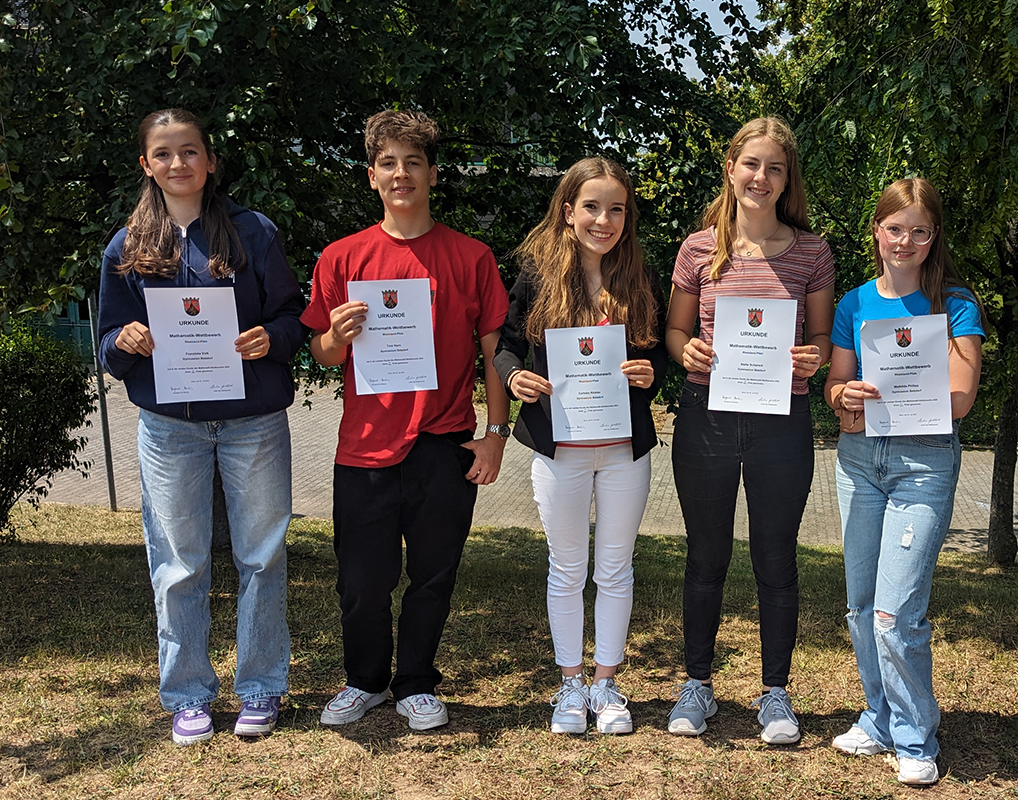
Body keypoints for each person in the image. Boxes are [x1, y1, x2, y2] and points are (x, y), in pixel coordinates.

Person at [97, 108, 306, 745]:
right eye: (163, 153)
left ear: (211, 161)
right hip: (169, 428)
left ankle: (262, 687)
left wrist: (267, 338)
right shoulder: (127, 246)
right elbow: (107, 345)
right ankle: (188, 694)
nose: (178, 163)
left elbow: (295, 317)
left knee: (263, 558)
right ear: (146, 165)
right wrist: (125, 339)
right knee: (179, 565)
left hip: (252, 424)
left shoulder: (253, 233)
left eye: (190, 151)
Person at [302, 109, 510, 732]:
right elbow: (320, 350)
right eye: (388, 163)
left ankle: (416, 681)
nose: (401, 174)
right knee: (363, 582)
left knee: (433, 575)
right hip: (364, 447)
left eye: (413, 163)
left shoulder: (471, 257)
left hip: (444, 443)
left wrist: (495, 436)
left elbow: (495, 353)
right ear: (371, 177)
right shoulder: (343, 257)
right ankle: (365, 680)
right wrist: (335, 339)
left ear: (432, 174)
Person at [664, 117, 835, 744]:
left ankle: (775, 694)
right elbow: (675, 333)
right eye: (751, 164)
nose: (761, 178)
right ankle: (698, 685)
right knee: (706, 556)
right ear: (731, 168)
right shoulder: (696, 249)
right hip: (707, 417)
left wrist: (812, 358)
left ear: (788, 180)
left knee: (776, 559)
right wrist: (686, 354)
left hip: (780, 422)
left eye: (775, 168)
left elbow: (819, 338)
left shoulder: (813, 253)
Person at [494, 158, 668, 735]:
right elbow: (506, 345)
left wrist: (650, 373)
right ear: (567, 212)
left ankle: (607, 685)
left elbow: (658, 355)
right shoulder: (537, 275)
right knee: (567, 568)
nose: (604, 219)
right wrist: (515, 375)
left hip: (624, 448)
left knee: (616, 568)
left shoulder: (640, 275)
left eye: (616, 208)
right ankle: (570, 686)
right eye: (591, 206)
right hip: (559, 445)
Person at [824, 177, 984, 785]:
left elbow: (963, 396)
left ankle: (916, 738)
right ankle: (879, 718)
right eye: (895, 228)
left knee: (897, 613)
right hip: (861, 462)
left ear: (933, 235)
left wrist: (902, 399)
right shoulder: (853, 304)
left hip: (923, 465)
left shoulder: (956, 304)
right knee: (861, 608)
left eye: (919, 230)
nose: (906, 240)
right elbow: (837, 394)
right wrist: (849, 395)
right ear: (877, 232)